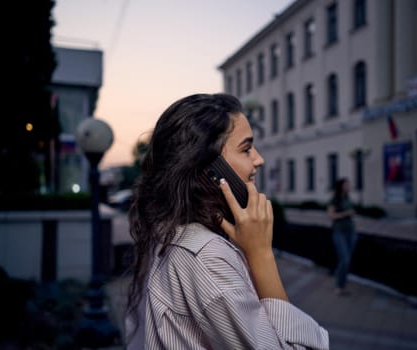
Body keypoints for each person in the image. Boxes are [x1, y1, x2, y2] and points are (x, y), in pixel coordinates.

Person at [125, 93, 329, 349]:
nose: (259, 159)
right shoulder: (206, 258)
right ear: (209, 169)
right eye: (246, 148)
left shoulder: (169, 233)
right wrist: (261, 254)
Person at [327, 178, 357, 296]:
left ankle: (342, 286)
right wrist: (346, 213)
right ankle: (339, 286)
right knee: (345, 259)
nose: (349, 187)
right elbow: (331, 216)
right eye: (346, 185)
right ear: (341, 186)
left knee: (346, 261)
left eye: (349, 185)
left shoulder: (347, 198)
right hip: (339, 233)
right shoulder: (335, 200)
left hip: (351, 232)